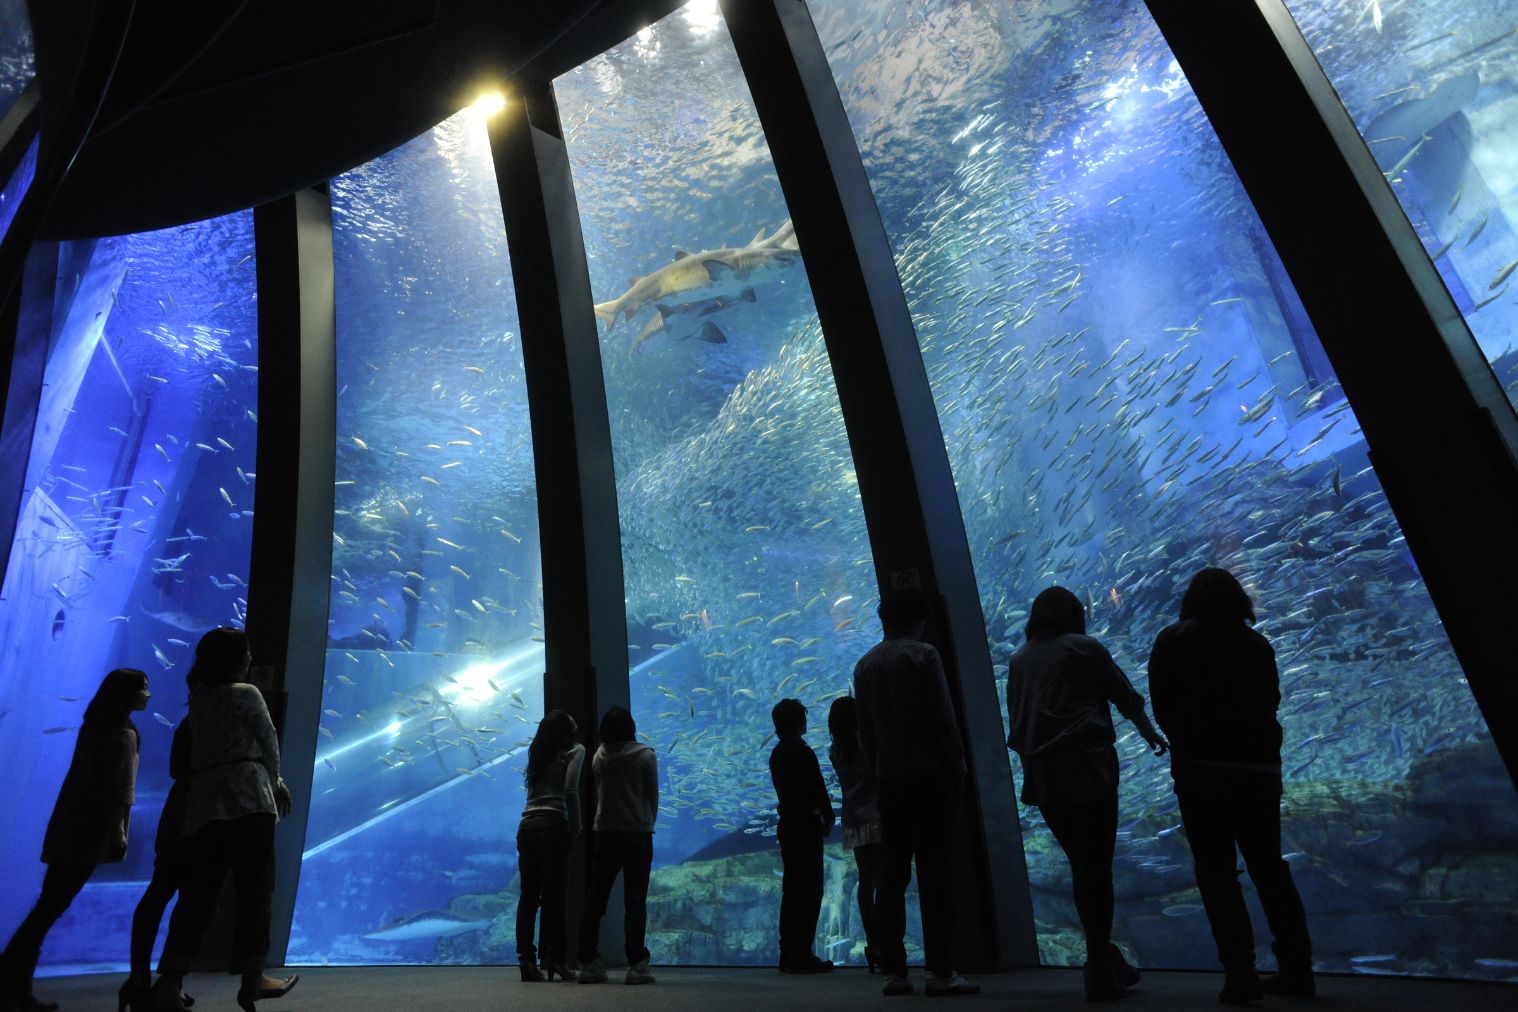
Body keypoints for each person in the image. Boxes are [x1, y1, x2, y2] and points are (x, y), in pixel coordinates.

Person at [1148, 568, 1313, 1006]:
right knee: (1269, 867)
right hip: (1257, 771)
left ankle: (1240, 974)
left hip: (1200, 773)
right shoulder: (1255, 643)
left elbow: (1161, 703)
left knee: (1216, 873)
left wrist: (1189, 742)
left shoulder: (1172, 640)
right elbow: (1270, 701)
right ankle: (1298, 970)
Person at [1006, 586, 1168, 1002]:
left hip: (1043, 779)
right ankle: (1099, 968)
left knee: (1083, 866)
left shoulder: (1020, 658)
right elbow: (1124, 696)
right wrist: (1151, 734)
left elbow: (1021, 718)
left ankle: (1105, 957)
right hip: (1087, 770)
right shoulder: (1084, 648)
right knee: (1097, 870)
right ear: (1074, 614)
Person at [149, 628, 297, 1012]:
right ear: (238, 658)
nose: (250, 658)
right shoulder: (246, 693)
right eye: (247, 652)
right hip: (248, 796)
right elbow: (269, 742)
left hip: (206, 803)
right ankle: (253, 978)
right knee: (256, 890)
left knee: (199, 896)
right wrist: (277, 782)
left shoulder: (200, 696)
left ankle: (169, 981)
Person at [853, 586, 978, 997]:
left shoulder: (865, 665)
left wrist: (877, 771)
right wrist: (958, 765)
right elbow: (943, 718)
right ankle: (941, 972)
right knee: (936, 872)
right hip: (930, 778)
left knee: (891, 875)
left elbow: (865, 732)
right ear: (918, 620)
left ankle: (894, 971)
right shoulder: (924, 655)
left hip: (890, 782)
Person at [1, 668, 148, 1012]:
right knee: (50, 910)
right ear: (125, 695)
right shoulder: (124, 735)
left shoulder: (94, 727)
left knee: (46, 908)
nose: (148, 694)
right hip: (91, 832)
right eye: (143, 688)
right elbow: (122, 791)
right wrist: (119, 832)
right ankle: (10, 979)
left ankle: (15, 985)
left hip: (68, 825)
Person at [576, 705, 657, 986]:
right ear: (631, 728)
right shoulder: (646, 756)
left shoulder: (598, 755)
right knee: (635, 900)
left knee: (596, 898)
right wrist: (647, 823)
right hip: (637, 834)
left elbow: (600, 792)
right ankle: (636, 964)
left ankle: (588, 961)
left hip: (605, 833)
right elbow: (652, 796)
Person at [120, 715, 194, 1012]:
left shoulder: (188, 721)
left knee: (160, 892)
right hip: (196, 813)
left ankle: (139, 978)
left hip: (177, 812)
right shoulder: (205, 720)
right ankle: (165, 982)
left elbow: (176, 768)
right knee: (186, 899)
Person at [516, 709, 584, 982]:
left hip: (526, 826)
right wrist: (576, 824)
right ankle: (557, 959)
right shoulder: (575, 750)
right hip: (552, 825)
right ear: (567, 730)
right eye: (572, 720)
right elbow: (570, 788)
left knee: (529, 896)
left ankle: (527, 960)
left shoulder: (538, 755)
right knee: (556, 896)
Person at [768, 698, 834, 975]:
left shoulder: (777, 753)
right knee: (810, 889)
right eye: (803, 717)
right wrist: (828, 815)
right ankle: (803, 953)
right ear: (797, 722)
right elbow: (817, 787)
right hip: (806, 826)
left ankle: (787, 953)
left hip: (787, 826)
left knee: (792, 889)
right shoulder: (803, 751)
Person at [827, 696, 882, 972]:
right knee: (884, 881)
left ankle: (873, 943)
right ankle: (885, 941)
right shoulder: (864, 746)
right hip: (875, 816)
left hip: (853, 820)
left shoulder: (835, 751)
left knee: (866, 881)